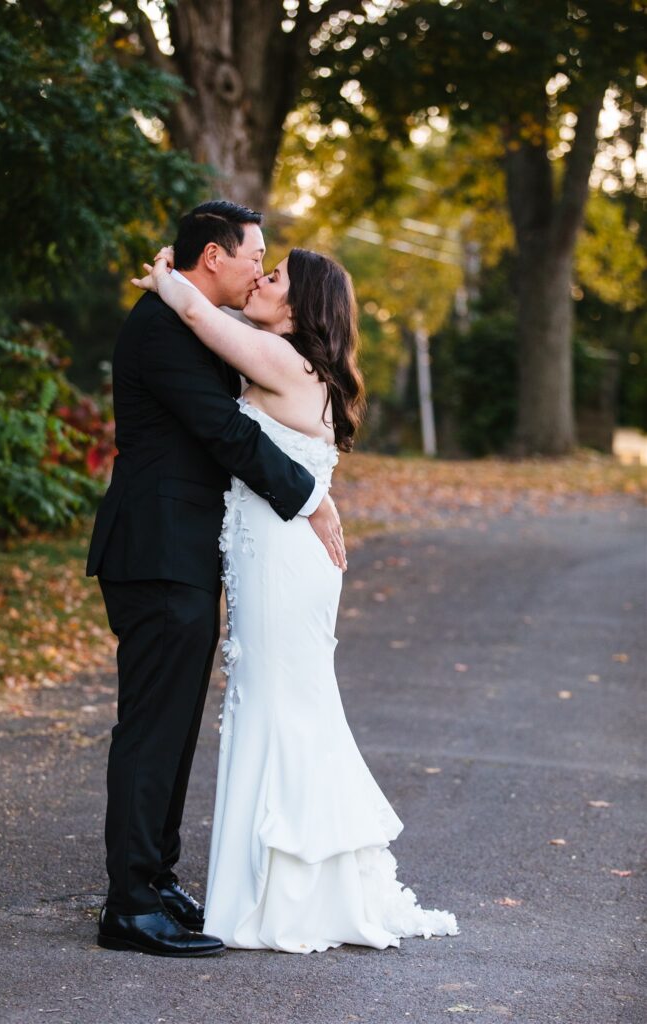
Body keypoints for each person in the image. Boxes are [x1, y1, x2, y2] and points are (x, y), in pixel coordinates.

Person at [130, 241, 460, 952]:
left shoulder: (279, 358)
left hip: (282, 560)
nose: (260, 278)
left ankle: (286, 894)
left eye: (272, 275)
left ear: (299, 303)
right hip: (274, 554)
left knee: (279, 706)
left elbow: (196, 315)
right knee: (279, 703)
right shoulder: (292, 362)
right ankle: (277, 882)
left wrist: (164, 277)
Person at [86, 201, 347, 958]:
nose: (260, 269)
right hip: (155, 551)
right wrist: (310, 498)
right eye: (253, 255)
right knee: (150, 729)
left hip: (183, 554)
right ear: (211, 256)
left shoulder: (189, 316)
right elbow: (225, 431)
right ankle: (129, 905)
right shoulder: (164, 328)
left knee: (171, 730)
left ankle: (156, 881)